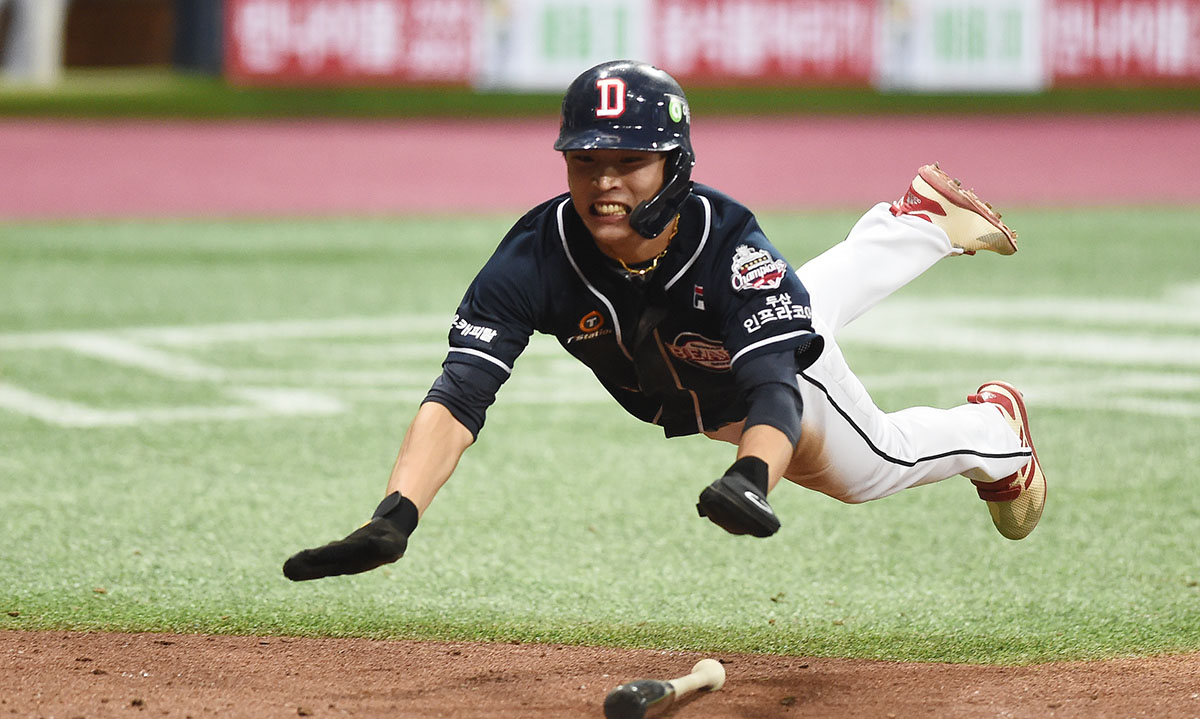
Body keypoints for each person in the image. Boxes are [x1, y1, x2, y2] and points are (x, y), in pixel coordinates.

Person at [282, 59, 1045, 582]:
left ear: (674, 166)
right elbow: (459, 395)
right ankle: (914, 222)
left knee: (873, 465)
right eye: (585, 161)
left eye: (628, 161)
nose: (603, 181)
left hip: (763, 392)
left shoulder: (730, 243)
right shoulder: (534, 255)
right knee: (784, 305)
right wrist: (395, 515)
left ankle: (996, 435)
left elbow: (777, 387)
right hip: (715, 373)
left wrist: (753, 475)